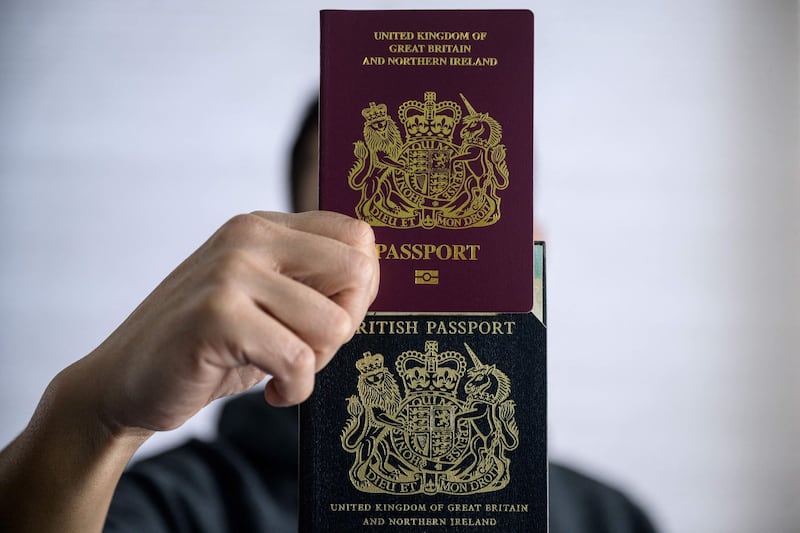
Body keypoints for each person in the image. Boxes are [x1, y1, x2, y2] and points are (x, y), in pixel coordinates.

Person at [0, 100, 657, 533]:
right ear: (286, 249)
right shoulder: (169, 506)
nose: (420, 246)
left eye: (462, 222)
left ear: (531, 247)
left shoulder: (607, 517)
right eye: (373, 219)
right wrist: (92, 419)